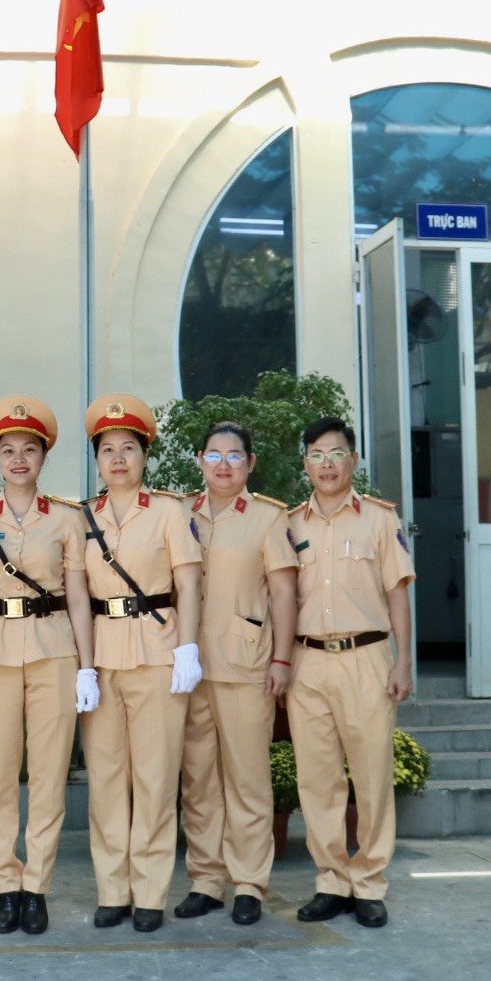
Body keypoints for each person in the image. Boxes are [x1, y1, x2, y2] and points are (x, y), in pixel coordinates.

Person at [0, 395, 96, 936]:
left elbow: (77, 595)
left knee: (50, 776)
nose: (18, 460)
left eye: (28, 450)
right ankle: (5, 886)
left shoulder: (67, 518)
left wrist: (87, 666)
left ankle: (37, 887)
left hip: (54, 651)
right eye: (8, 450)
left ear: (43, 456)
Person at [78, 393, 204, 934]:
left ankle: (150, 892)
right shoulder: (83, 516)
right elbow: (76, 593)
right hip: (103, 656)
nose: (118, 458)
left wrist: (187, 649)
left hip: (157, 653)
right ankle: (113, 890)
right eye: (108, 449)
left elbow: (189, 584)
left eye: (128, 448)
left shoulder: (170, 512)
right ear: (97, 460)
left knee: (154, 778)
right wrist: (83, 666)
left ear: (145, 455)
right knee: (107, 778)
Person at [286, 416, 415, 929]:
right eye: (317, 455)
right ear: (305, 464)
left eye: (336, 453)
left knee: (371, 774)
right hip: (307, 661)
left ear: (354, 461)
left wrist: (403, 660)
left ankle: (369, 883)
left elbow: (397, 594)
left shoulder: (379, 520)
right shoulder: (290, 524)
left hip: (367, 657)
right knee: (317, 778)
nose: (327, 464)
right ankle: (331, 881)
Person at [175, 421, 299, 928]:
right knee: (198, 779)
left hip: (246, 664)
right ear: (199, 461)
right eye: (213, 455)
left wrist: (282, 660)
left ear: (250, 463)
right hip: (190, 668)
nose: (222, 465)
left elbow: (285, 593)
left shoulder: (268, 517)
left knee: (248, 779)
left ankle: (248, 882)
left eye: (233, 456)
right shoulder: (182, 513)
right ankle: (206, 880)